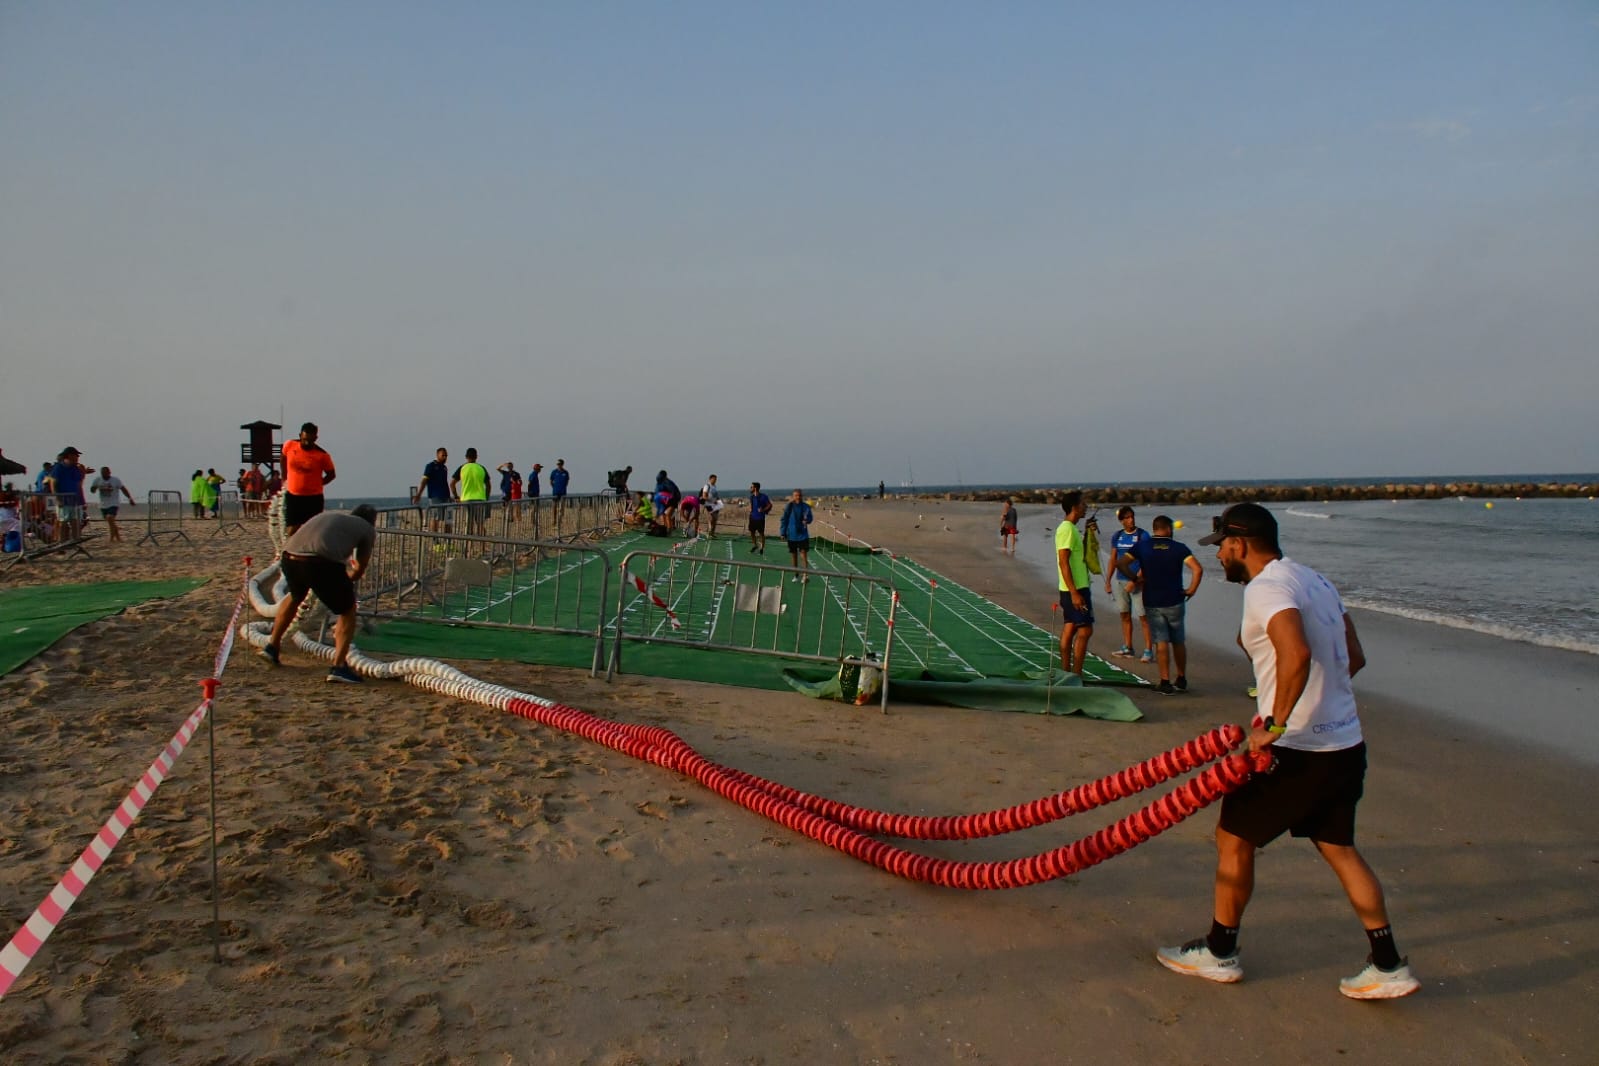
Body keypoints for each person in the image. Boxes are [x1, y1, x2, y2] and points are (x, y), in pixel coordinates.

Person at [1156, 502, 1419, 1000]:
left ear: (1241, 543)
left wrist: (1275, 724)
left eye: (1223, 549)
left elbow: (1295, 651)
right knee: (1340, 848)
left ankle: (1219, 951)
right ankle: (1387, 964)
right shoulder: (1314, 581)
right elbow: (1352, 658)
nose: (1220, 558)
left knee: (1233, 839)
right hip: (1344, 745)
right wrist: (1308, 696)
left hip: (1295, 751)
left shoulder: (1266, 588)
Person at [258, 505, 378, 684]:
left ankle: (272, 646)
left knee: (295, 596)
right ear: (373, 522)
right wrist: (349, 579)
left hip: (289, 556)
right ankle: (339, 666)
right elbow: (361, 566)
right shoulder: (367, 529)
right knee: (347, 610)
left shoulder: (331, 516)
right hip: (320, 562)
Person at [1120, 515, 1202, 695]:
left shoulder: (1143, 546)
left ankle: (1165, 681)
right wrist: (1191, 590)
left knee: (1161, 641)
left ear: (1155, 528)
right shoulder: (1179, 548)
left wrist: (1135, 578)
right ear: (1168, 529)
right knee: (1178, 640)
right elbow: (1197, 568)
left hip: (1153, 600)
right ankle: (1181, 679)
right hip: (1175, 599)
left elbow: (1122, 563)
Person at [1106, 506, 1155, 663]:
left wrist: (1135, 581)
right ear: (1121, 521)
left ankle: (1148, 650)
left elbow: (1148, 561)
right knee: (1124, 614)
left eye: (1132, 516)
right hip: (1120, 580)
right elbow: (1113, 559)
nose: (1131, 520)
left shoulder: (1143, 535)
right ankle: (1128, 647)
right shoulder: (1117, 536)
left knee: (1143, 616)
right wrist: (1108, 580)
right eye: (1127, 517)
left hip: (1138, 582)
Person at [1054, 492, 1094, 677]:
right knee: (1085, 630)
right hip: (1075, 588)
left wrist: (1088, 534)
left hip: (1075, 587)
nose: (1086, 507)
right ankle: (1076, 675)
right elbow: (1064, 561)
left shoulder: (1072, 529)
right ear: (1074, 507)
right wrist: (1074, 593)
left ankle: (1066, 673)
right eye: (1083, 504)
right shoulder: (1067, 529)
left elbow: (1079, 555)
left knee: (1070, 627)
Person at [281, 422, 336, 535]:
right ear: (300, 435)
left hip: (313, 498)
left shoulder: (322, 456)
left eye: (310, 440)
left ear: (315, 438)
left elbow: (331, 475)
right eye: (305, 439)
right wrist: (284, 477)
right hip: (293, 495)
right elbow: (283, 458)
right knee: (292, 527)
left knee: (313, 528)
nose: (307, 443)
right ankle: (289, 550)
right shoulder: (289, 445)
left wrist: (318, 483)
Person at [46, 447, 89, 541]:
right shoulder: (59, 467)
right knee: (63, 522)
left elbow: (79, 484)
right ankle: (62, 542)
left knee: (75, 521)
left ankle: (75, 541)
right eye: (76, 455)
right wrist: (57, 498)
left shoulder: (75, 468)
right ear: (69, 456)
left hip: (76, 500)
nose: (77, 457)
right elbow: (53, 483)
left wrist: (83, 500)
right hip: (63, 499)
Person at [89, 466, 136, 542]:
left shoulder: (115, 480)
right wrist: (96, 487)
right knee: (110, 521)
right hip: (103, 504)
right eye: (103, 473)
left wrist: (130, 498)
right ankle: (117, 537)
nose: (105, 475)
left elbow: (123, 489)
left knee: (110, 517)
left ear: (109, 472)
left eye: (106, 473)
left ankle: (112, 538)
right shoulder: (98, 480)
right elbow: (92, 490)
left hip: (114, 503)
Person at [413, 447, 454, 532]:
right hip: (435, 496)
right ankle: (435, 541)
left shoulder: (444, 468)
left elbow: (444, 482)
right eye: (443, 455)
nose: (445, 457)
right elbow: (424, 480)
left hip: (445, 496)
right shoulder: (431, 466)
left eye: (446, 455)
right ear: (437, 455)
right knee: (435, 518)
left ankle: (447, 541)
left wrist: (449, 496)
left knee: (448, 520)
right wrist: (419, 494)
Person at [452, 448, 491, 535]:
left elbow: (452, 484)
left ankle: (468, 547)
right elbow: (488, 485)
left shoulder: (462, 468)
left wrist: (456, 496)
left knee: (468, 525)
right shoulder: (481, 468)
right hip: (480, 498)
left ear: (466, 457)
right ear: (476, 457)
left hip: (466, 499)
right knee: (480, 524)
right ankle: (482, 546)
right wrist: (486, 497)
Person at [780, 488, 814, 578]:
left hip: (803, 535)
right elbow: (784, 519)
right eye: (796, 495)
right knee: (794, 556)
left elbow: (810, 518)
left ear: (802, 496)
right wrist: (782, 532)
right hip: (791, 535)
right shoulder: (789, 506)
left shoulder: (806, 507)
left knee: (803, 554)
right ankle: (796, 574)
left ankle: (805, 575)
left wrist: (807, 521)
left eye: (799, 495)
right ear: (793, 497)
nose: (798, 497)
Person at [747, 481, 773, 554]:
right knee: (752, 532)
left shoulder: (763, 496)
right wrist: (750, 509)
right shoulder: (751, 497)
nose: (750, 488)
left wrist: (763, 510)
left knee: (761, 533)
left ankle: (762, 548)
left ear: (755, 488)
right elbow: (751, 506)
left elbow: (769, 505)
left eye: (751, 487)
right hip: (752, 517)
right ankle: (755, 545)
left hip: (760, 518)